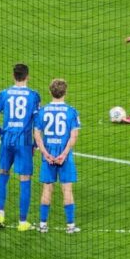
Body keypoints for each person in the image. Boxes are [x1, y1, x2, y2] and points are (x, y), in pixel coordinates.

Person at [0, 63, 41, 231]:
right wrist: (35, 144)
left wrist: (2, 133)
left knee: (3, 175)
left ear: (13, 76)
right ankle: (22, 222)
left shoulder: (4, 94)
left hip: (7, 140)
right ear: (28, 76)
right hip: (24, 141)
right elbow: (37, 123)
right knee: (24, 179)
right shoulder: (34, 96)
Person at [33, 79, 81, 234]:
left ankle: (42, 225)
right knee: (67, 189)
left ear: (50, 92)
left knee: (47, 189)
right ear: (65, 92)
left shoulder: (42, 111)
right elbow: (73, 136)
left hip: (49, 154)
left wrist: (46, 154)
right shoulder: (71, 111)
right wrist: (64, 154)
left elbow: (37, 135)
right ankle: (70, 226)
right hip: (64, 156)